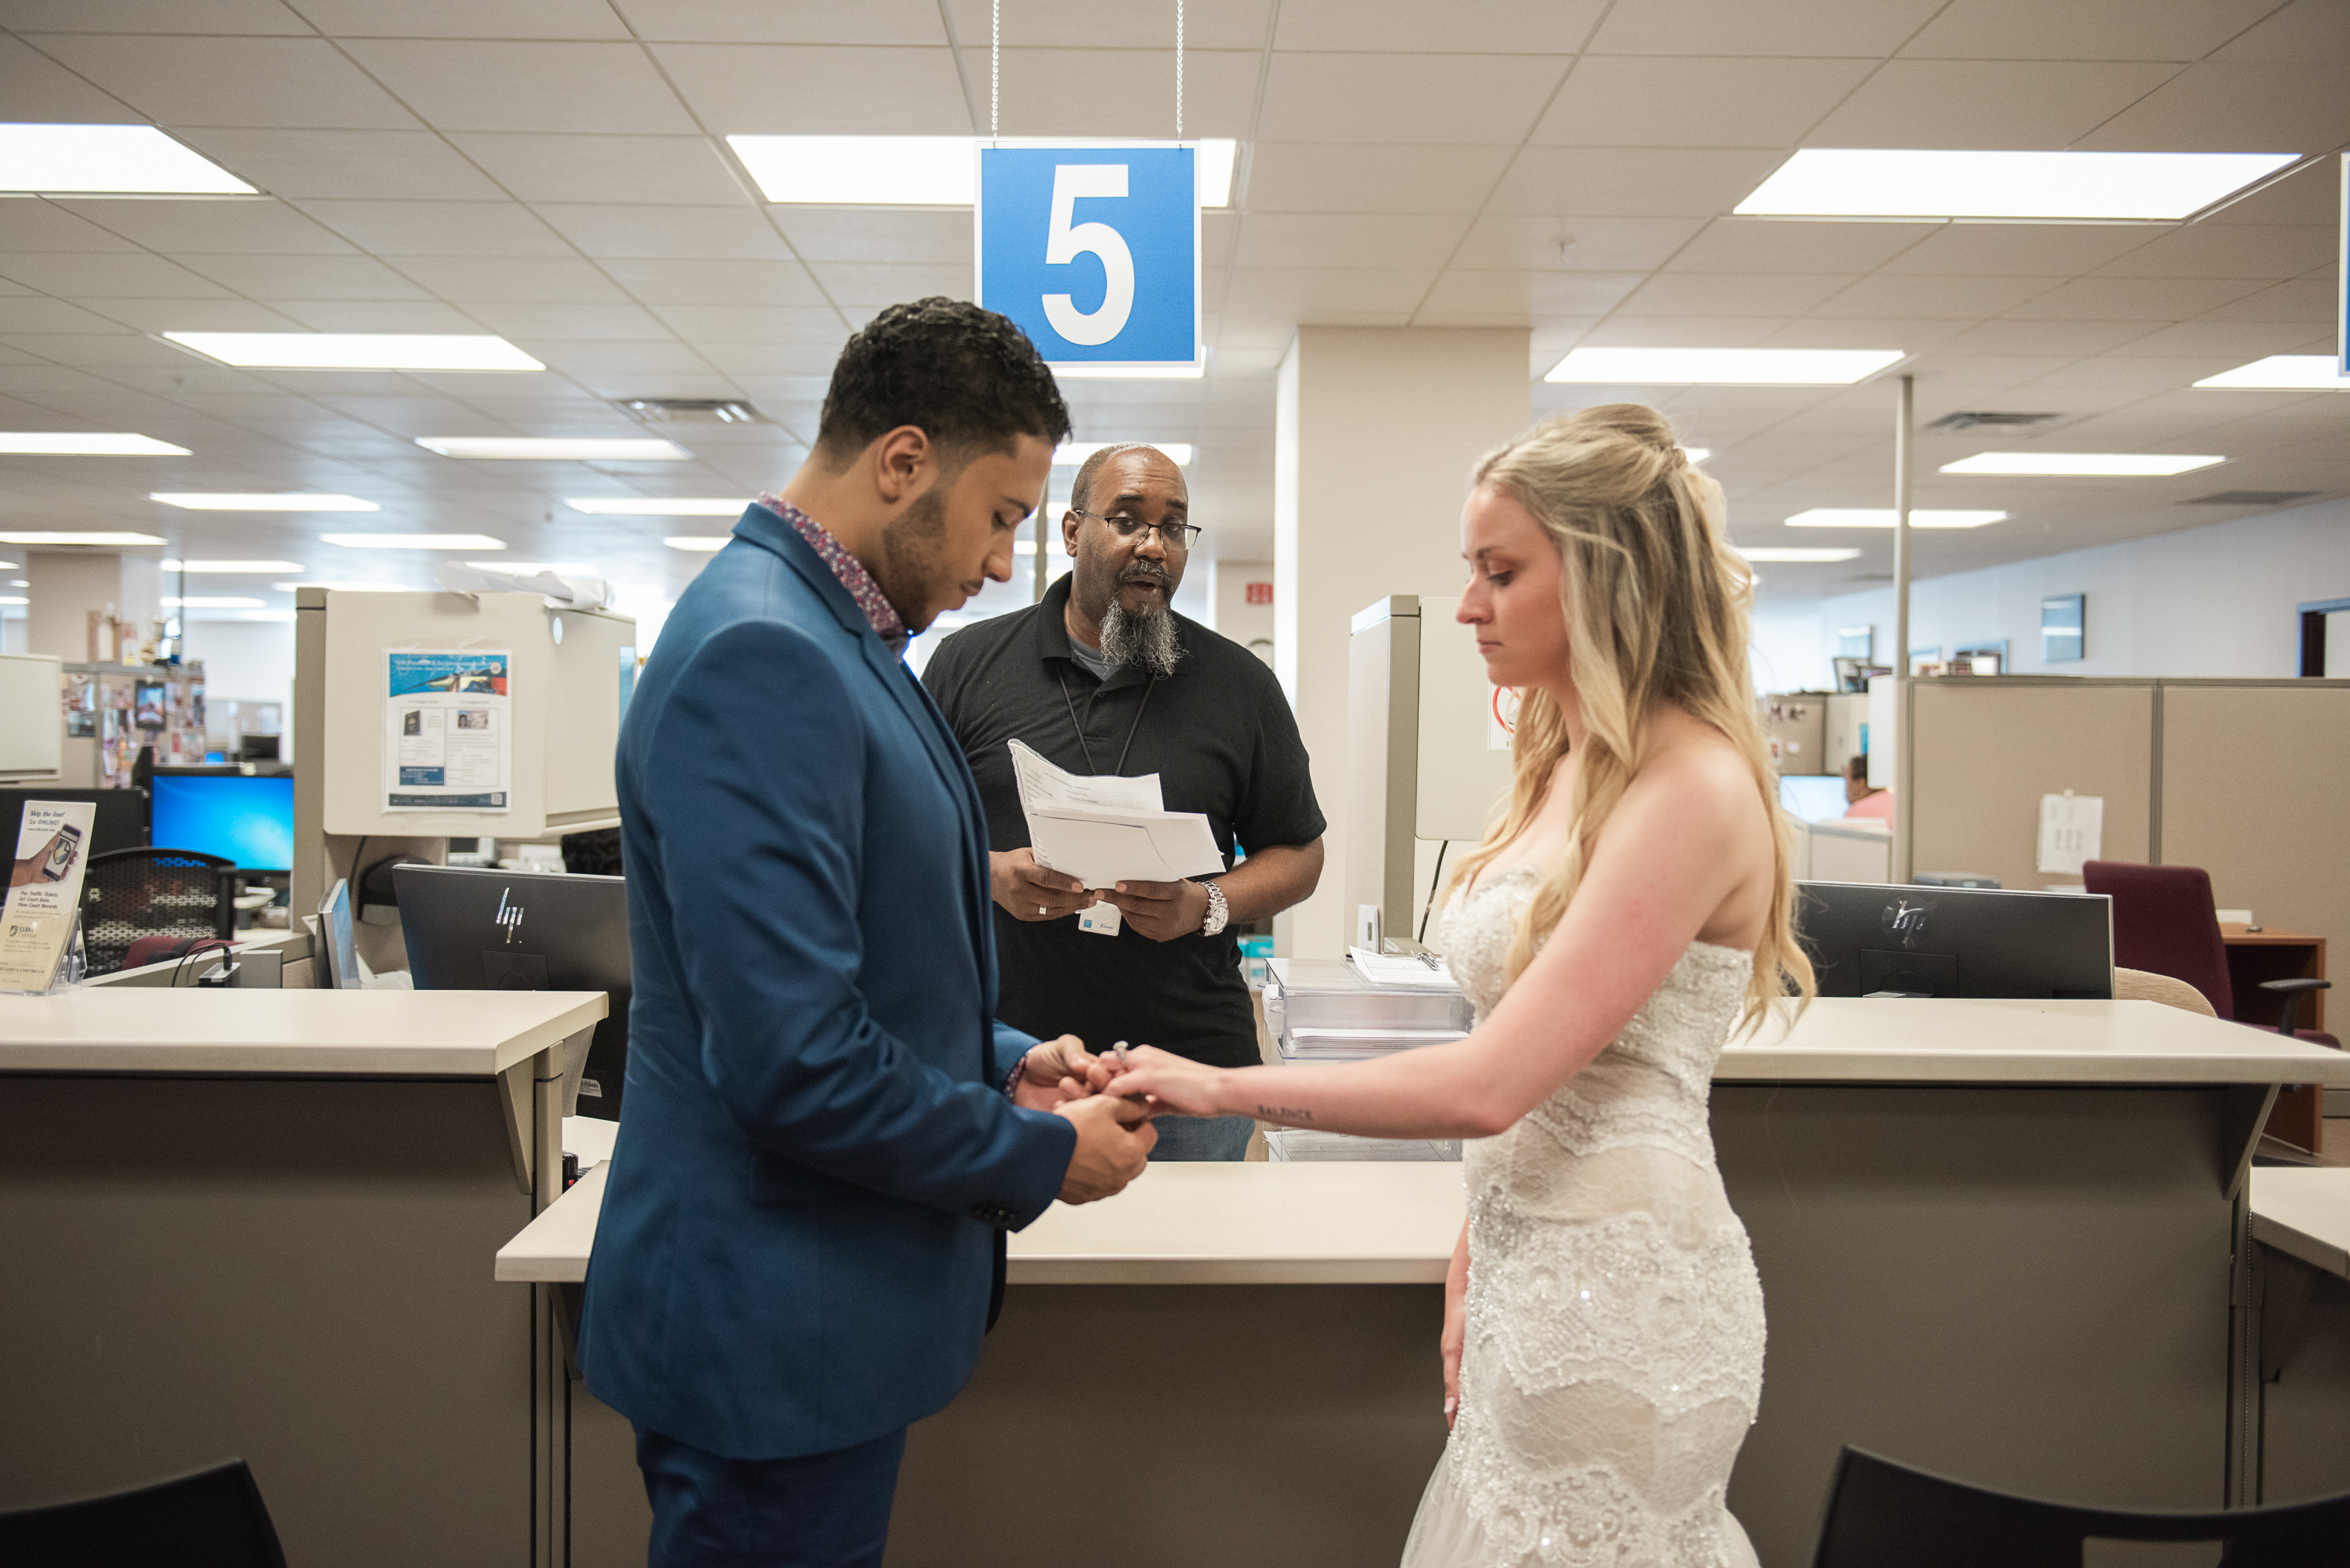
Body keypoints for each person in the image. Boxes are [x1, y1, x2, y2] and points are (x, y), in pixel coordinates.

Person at [1104, 405, 1815, 1566]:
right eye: (1469, 570)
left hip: (1623, 1297)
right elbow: (1541, 1077)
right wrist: (1481, 1241)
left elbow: (1494, 1080)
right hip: (1530, 1264)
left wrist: (1225, 1086)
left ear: (1604, 576)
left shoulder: (1690, 786)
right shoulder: (1568, 754)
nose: (1470, 604)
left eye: (1500, 571)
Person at [577, 298, 1157, 1568]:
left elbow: (860, 959)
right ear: (902, 462)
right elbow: (795, 1057)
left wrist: (998, 1054)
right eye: (1003, 514)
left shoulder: (833, 634)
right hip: (766, 1336)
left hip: (806, 1323)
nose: (1009, 561)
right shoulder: (761, 653)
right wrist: (1034, 1152)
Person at [921, 443, 1326, 1162]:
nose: (1153, 545)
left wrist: (1206, 905)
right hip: (1010, 1060)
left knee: (1187, 1273)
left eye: (1174, 527)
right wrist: (988, 875)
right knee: (1022, 1273)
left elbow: (1299, 852)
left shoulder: (1239, 685)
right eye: (1129, 520)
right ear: (1075, 532)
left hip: (1190, 1073)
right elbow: (904, 835)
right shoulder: (968, 665)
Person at [1842, 752, 1893, 819]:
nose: (1845, 789)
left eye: (1846, 782)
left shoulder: (1856, 812)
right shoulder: (1897, 803)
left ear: (1860, 783)